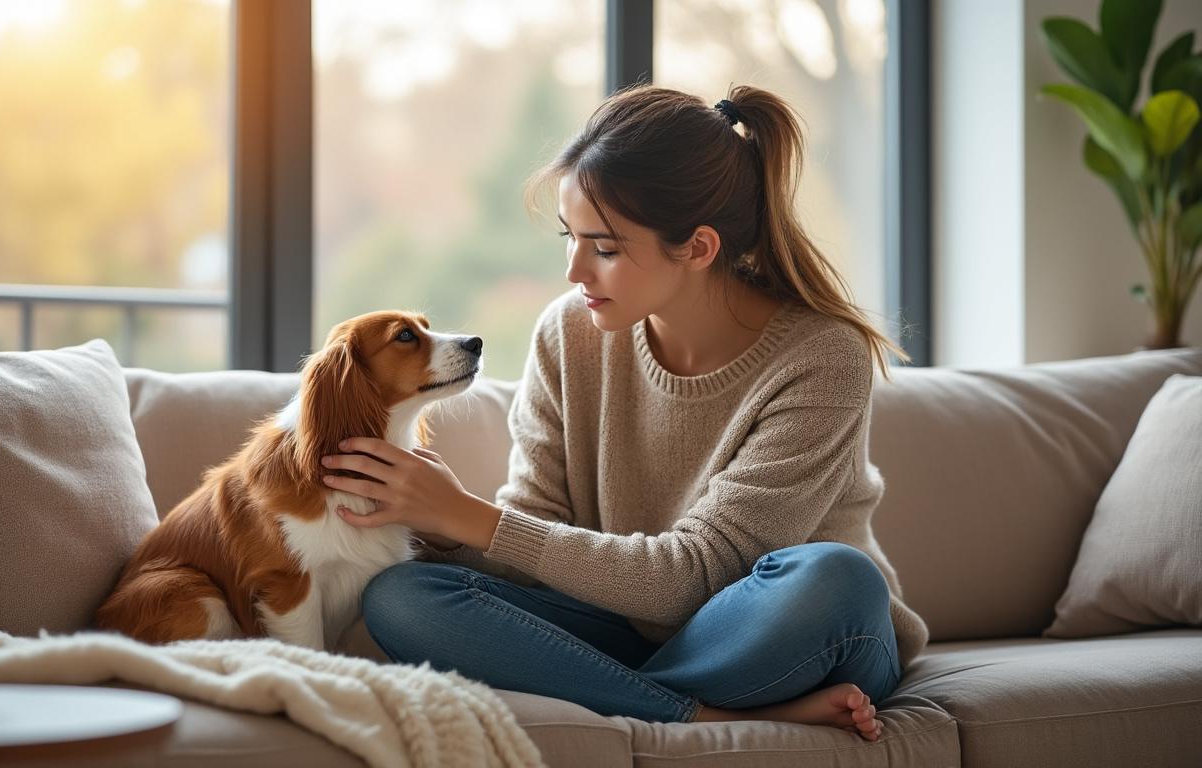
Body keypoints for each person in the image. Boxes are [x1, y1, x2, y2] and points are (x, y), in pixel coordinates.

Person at [318, 84, 929, 738]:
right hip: (622, 631)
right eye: (570, 237)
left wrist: (469, 516)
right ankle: (697, 712)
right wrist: (440, 525)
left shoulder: (821, 355)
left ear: (697, 248)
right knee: (404, 598)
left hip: (785, 635)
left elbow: (691, 578)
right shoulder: (567, 333)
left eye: (604, 248)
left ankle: (611, 690)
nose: (575, 270)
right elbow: (534, 531)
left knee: (834, 578)